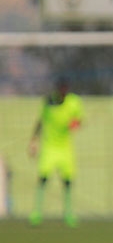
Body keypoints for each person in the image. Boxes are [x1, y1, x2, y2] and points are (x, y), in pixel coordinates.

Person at [27, 75, 84, 228]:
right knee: (43, 179)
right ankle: (37, 212)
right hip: (49, 147)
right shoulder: (49, 102)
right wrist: (33, 140)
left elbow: (79, 121)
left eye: (65, 88)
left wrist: (75, 125)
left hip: (65, 148)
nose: (63, 91)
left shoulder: (74, 103)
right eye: (61, 88)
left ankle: (69, 213)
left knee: (67, 181)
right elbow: (41, 121)